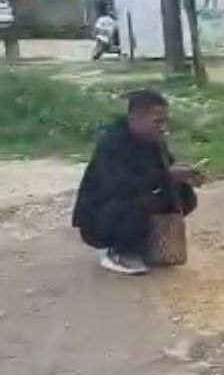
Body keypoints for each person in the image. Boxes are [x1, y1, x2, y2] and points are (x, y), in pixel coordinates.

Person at [71, 90, 203, 275]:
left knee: (183, 194)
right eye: (158, 122)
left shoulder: (154, 141)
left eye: (165, 122)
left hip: (129, 200)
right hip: (100, 217)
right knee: (137, 204)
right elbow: (121, 187)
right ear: (135, 119)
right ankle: (118, 251)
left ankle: (146, 242)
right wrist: (167, 176)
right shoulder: (112, 143)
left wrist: (187, 175)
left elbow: (166, 171)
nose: (163, 127)